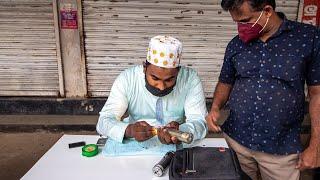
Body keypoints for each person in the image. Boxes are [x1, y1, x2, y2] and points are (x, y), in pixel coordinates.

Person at [206, 0, 320, 179]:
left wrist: (315, 146)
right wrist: (215, 107)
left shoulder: (308, 38)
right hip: (237, 140)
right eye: (236, 22)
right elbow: (225, 81)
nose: (240, 27)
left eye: (245, 21)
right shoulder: (236, 44)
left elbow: (317, 93)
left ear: (267, 11)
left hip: (281, 148)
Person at [97, 35, 207, 145]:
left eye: (169, 80)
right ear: (144, 68)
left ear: (178, 72)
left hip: (177, 146)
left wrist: (181, 131)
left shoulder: (190, 79)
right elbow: (104, 121)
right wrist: (129, 130)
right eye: (155, 78)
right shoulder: (127, 79)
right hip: (134, 145)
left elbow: (200, 122)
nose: (161, 87)